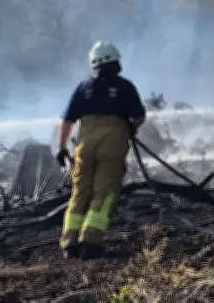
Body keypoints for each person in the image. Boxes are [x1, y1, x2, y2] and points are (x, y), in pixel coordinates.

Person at [56, 41, 146, 260]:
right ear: (115, 62)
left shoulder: (83, 88)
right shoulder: (125, 87)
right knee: (104, 193)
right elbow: (139, 117)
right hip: (112, 144)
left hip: (84, 145)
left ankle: (69, 242)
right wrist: (129, 129)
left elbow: (67, 122)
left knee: (79, 192)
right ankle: (90, 241)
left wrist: (61, 147)